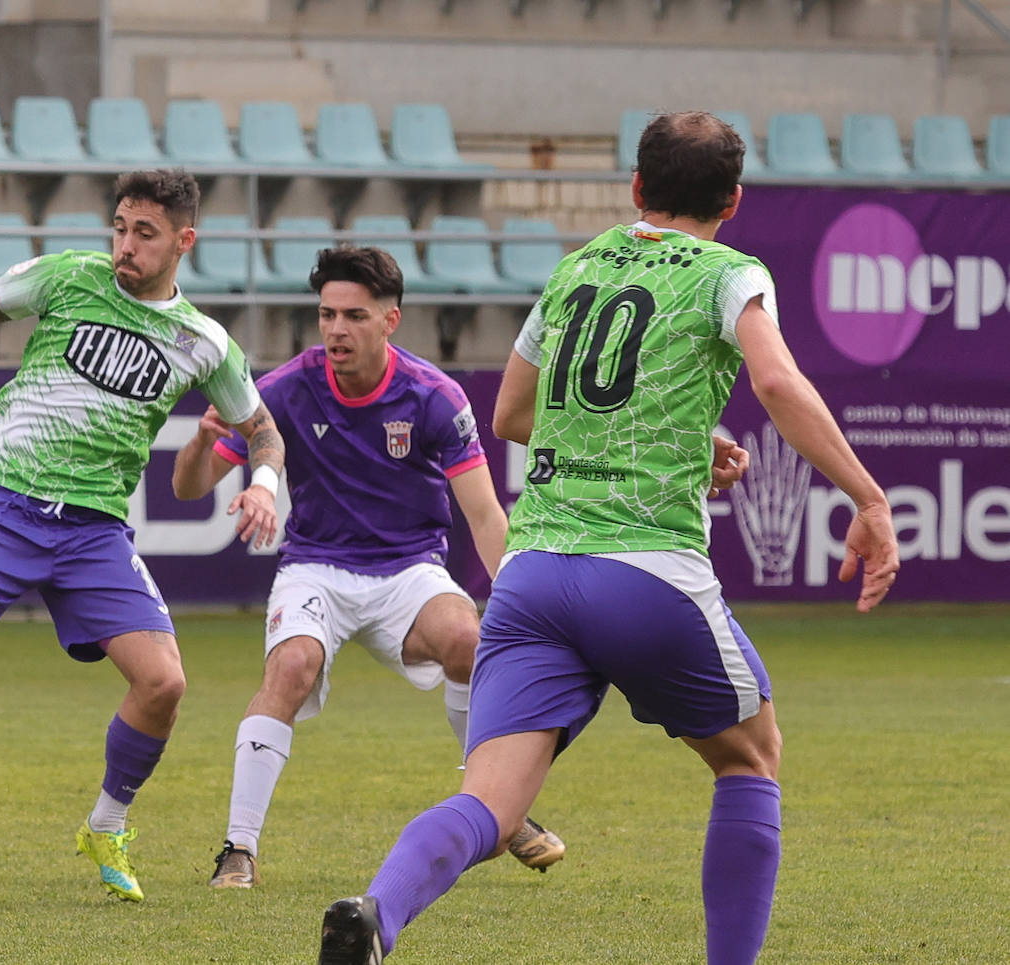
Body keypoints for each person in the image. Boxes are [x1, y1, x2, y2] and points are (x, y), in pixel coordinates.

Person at [316, 111, 900, 964]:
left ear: (635, 189)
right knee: (751, 758)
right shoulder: (729, 272)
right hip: (646, 575)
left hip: (534, 575)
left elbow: (513, 413)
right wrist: (869, 497)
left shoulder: (574, 268)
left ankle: (377, 914)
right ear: (733, 200)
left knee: (494, 803)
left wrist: (686, 442)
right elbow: (775, 378)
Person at [171, 245, 746, 890]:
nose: (336, 330)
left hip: (408, 571)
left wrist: (514, 593)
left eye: (354, 316)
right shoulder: (284, 390)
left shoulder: (433, 397)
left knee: (472, 643)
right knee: (292, 665)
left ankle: (499, 805)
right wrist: (199, 440)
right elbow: (190, 488)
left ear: (390, 320)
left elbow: (483, 515)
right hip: (316, 568)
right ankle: (238, 850)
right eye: (327, 314)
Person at [0, 169, 285, 904]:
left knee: (164, 682)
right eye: (119, 226)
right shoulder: (70, 276)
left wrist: (262, 485)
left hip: (93, 529)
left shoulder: (203, 341)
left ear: (184, 240)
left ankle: (106, 823)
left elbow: (262, 431)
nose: (125, 245)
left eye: (144, 232)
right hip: (5, 502)